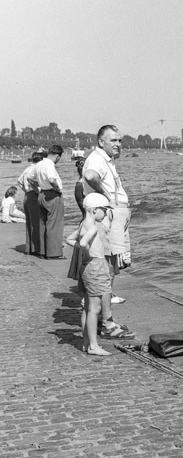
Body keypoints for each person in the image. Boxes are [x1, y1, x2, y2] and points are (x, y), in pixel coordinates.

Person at [83, 125, 130, 304]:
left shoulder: (105, 158)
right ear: (101, 142)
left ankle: (107, 293)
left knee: (112, 255)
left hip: (112, 212)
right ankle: (106, 296)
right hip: (110, 213)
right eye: (114, 140)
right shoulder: (98, 159)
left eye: (120, 140)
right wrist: (107, 197)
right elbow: (90, 176)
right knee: (110, 255)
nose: (118, 144)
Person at [65, 193, 114, 356]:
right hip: (95, 266)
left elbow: (69, 239)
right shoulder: (92, 226)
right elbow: (84, 243)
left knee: (87, 307)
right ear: (94, 210)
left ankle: (87, 342)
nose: (106, 213)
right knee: (95, 308)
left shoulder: (82, 224)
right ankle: (93, 346)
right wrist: (86, 250)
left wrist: (82, 249)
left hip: (86, 266)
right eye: (104, 210)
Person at [33, 145, 65, 259]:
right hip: (52, 194)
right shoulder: (49, 165)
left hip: (42, 194)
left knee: (43, 224)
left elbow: (31, 179)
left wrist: (37, 190)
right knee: (54, 224)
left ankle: (42, 251)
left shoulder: (39, 164)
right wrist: (57, 189)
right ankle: (54, 253)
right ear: (57, 156)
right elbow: (52, 179)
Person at [17, 151, 43, 255]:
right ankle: (36, 247)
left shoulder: (27, 169)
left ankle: (29, 247)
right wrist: (38, 191)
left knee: (29, 222)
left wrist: (25, 190)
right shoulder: (36, 169)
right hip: (34, 195)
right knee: (36, 222)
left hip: (27, 196)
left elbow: (19, 181)